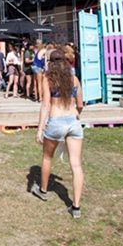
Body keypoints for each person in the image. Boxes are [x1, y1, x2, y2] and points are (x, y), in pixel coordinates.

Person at [32, 49, 84, 218]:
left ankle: (43, 190)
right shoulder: (74, 79)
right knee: (76, 165)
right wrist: (77, 114)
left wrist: (40, 128)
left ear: (50, 63)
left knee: (47, 157)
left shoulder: (48, 79)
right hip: (73, 121)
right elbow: (80, 104)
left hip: (56, 121)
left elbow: (46, 105)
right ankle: (76, 207)